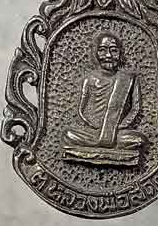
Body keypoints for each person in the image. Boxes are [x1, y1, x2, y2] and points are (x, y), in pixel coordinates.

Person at [61, 31, 145, 165]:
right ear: (95, 53)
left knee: (138, 140)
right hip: (93, 131)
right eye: (102, 50)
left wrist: (119, 126)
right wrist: (95, 126)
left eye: (114, 50)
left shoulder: (128, 79)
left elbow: (135, 108)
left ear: (121, 53)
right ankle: (105, 146)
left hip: (117, 132)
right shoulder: (89, 79)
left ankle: (98, 147)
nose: (108, 55)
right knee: (68, 134)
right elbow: (81, 110)